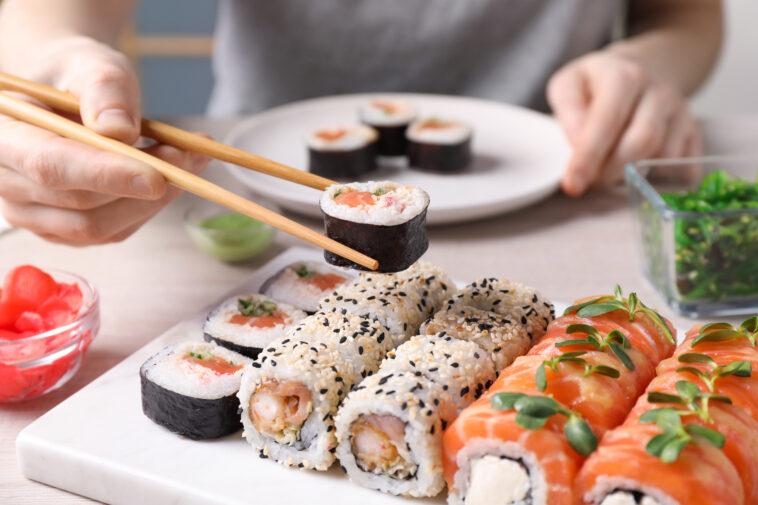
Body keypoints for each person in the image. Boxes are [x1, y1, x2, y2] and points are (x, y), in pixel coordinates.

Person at [0, 0, 722, 246]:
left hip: (575, 187)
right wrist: (50, 57)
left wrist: (650, 65)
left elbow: (688, 16)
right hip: (253, 202)